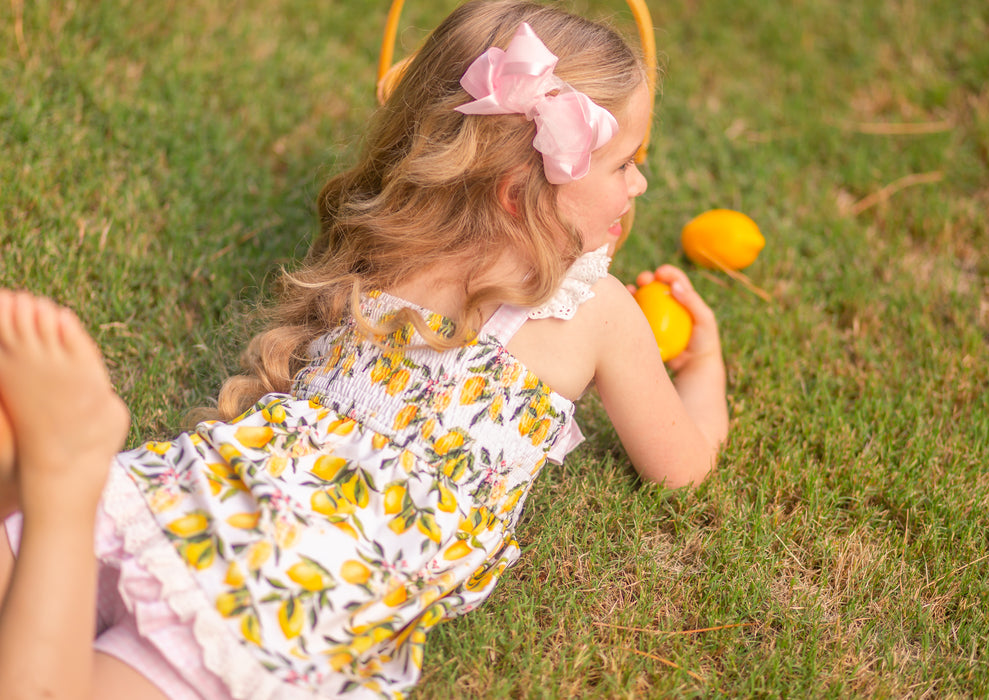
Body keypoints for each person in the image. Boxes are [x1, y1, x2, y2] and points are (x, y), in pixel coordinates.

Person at [0, 1, 728, 697]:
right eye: (625, 163)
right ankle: (62, 466)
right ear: (521, 192)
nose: (641, 180)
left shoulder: (394, 249)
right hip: (310, 584)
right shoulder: (600, 312)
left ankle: (45, 483)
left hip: (215, 492)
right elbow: (683, 467)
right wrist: (704, 366)